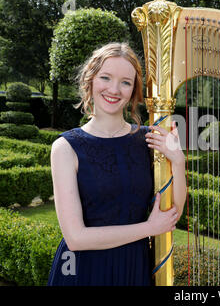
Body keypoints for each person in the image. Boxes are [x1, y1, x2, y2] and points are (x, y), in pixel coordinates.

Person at [47, 42, 186, 286]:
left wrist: (178, 161)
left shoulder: (149, 139)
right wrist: (148, 228)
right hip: (83, 272)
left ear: (134, 91)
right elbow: (76, 238)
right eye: (105, 77)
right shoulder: (66, 147)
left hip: (135, 268)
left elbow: (173, 212)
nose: (114, 89)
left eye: (125, 82)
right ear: (90, 80)